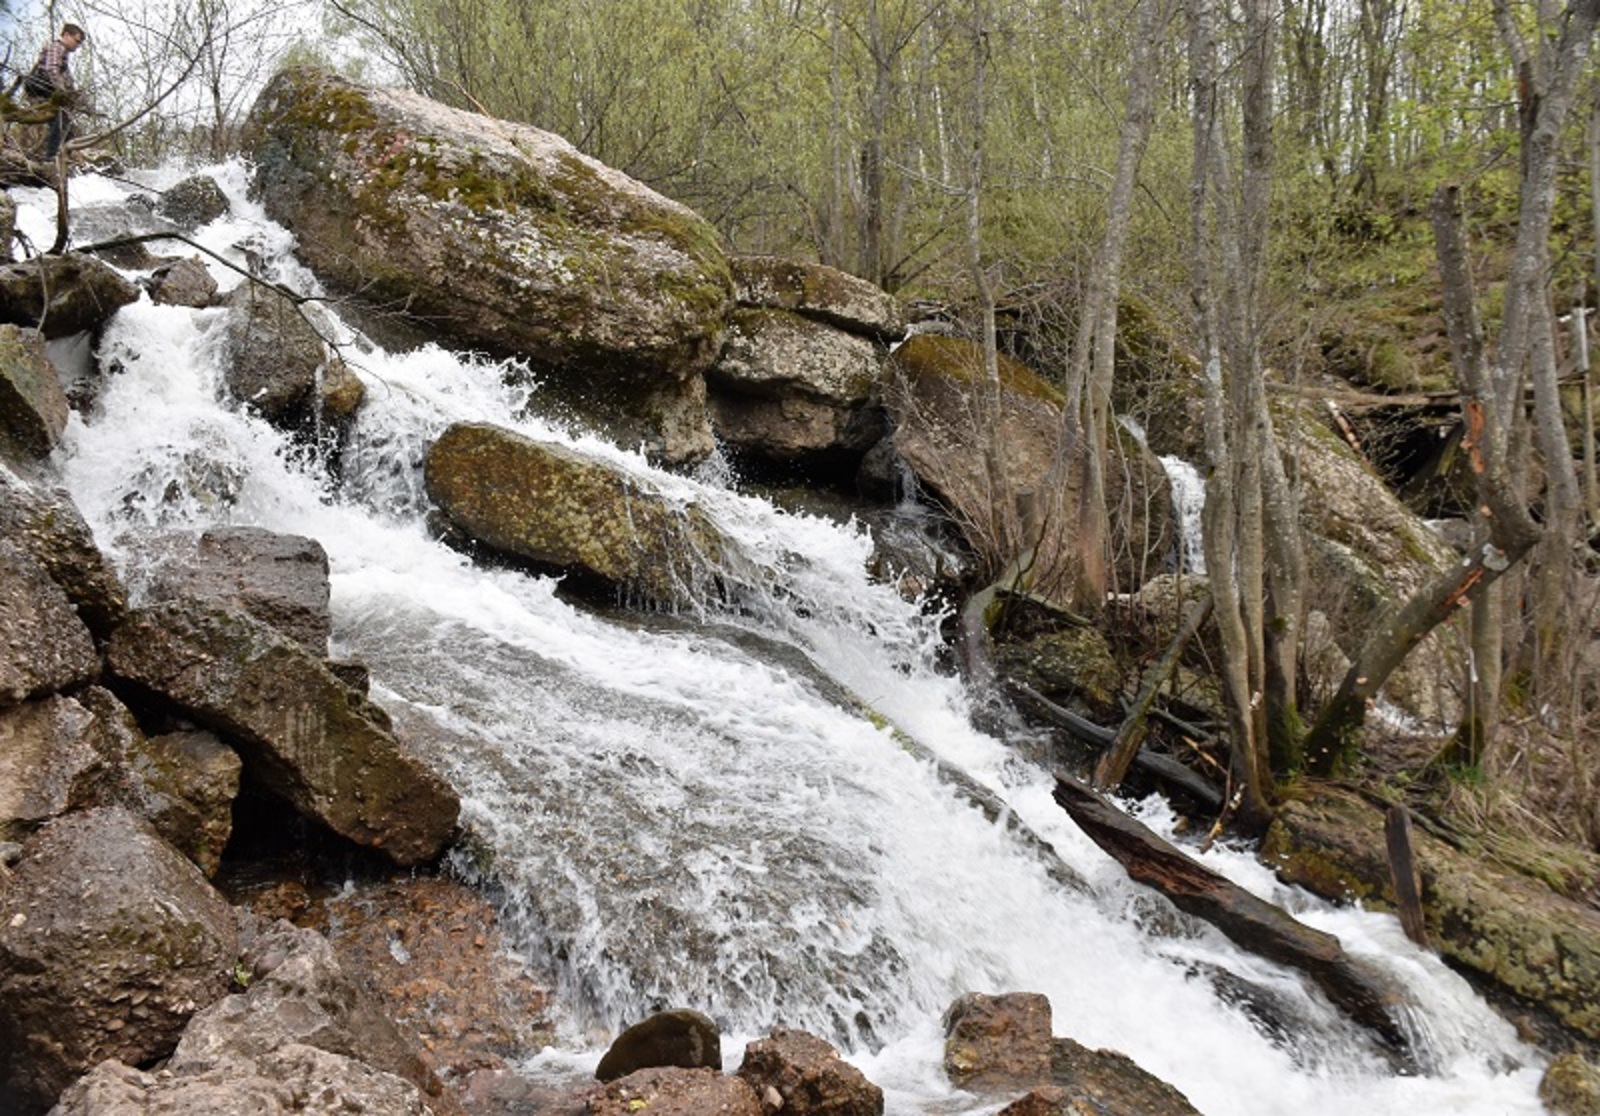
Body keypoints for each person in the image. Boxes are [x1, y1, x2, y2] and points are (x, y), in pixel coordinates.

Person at [25, 23, 86, 160]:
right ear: (66, 35)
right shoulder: (57, 47)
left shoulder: (63, 54)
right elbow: (51, 70)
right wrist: (62, 91)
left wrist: (74, 96)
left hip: (46, 90)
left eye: (80, 43)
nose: (78, 45)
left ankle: (69, 155)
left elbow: (67, 80)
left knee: (65, 123)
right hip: (40, 88)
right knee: (59, 119)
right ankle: (51, 157)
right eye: (77, 41)